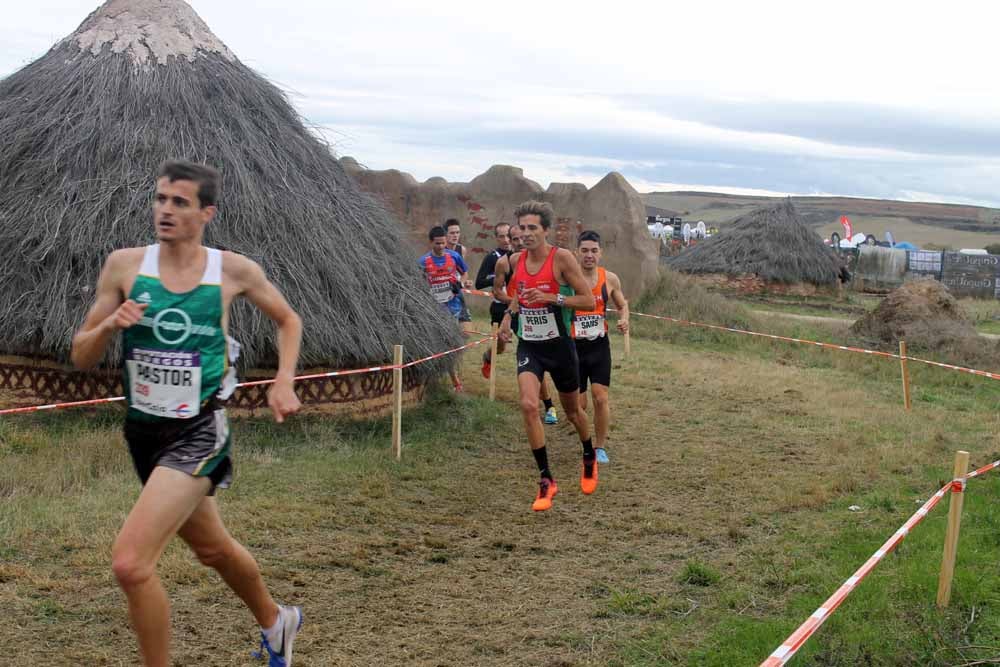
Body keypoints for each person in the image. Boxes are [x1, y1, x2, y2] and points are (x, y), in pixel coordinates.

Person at [70, 161, 304, 667]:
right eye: (160, 199)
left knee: (131, 565)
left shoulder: (233, 270)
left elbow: (288, 320)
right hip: (143, 433)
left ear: (206, 212)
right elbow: (81, 354)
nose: (165, 210)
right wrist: (111, 323)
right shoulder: (125, 266)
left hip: (198, 431)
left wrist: (283, 380)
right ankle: (277, 621)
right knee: (213, 550)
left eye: (179, 202)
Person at [498, 201, 597, 512]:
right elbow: (518, 294)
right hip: (530, 344)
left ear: (544, 230)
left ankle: (588, 453)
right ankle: (546, 479)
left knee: (574, 413)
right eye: (522, 228)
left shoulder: (562, 259)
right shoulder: (515, 260)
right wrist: (506, 318)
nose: (525, 234)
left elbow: (589, 300)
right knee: (528, 404)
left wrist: (553, 297)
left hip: (560, 347)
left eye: (532, 228)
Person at [573, 231, 629, 465]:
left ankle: (599, 447)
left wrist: (624, 318)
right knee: (578, 404)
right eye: (584, 250)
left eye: (594, 251)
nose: (589, 255)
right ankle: (584, 437)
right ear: (577, 252)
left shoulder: (610, 279)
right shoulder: (568, 277)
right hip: (573, 347)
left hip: (599, 346)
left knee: (601, 398)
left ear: (600, 253)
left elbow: (622, 304)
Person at [493, 226, 559, 424]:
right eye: (515, 240)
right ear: (509, 242)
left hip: (546, 315)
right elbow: (497, 292)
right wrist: (515, 304)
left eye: (522, 238)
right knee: (533, 362)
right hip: (519, 316)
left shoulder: (545, 259)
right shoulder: (503, 263)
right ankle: (549, 406)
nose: (520, 243)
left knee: (552, 361)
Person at [420, 225, 469, 391]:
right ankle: (445, 378)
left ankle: (454, 380)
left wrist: (460, 283)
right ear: (430, 242)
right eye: (437, 244)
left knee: (451, 342)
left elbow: (465, 273)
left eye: (443, 243)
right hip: (433, 308)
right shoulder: (423, 261)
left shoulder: (454, 256)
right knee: (438, 343)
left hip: (453, 305)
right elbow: (417, 281)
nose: (440, 247)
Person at [475, 222, 511, 378]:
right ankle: (488, 357)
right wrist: (497, 279)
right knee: (501, 347)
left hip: (518, 306)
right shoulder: (492, 257)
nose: (506, 240)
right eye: (501, 236)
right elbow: (479, 283)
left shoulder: (519, 255)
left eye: (508, 235)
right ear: (496, 238)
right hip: (500, 307)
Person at [445, 218, 473, 334]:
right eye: (452, 233)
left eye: (457, 232)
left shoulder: (461, 250)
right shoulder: (441, 249)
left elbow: (463, 272)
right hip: (443, 292)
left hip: (457, 291)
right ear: (445, 234)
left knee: (466, 332)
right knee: (447, 328)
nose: (455, 235)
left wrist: (463, 282)